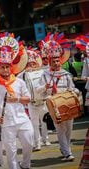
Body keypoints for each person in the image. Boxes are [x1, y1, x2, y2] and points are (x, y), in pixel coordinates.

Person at [0, 34, 34, 169]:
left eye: (7, 67)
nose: (5, 70)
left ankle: (25, 164)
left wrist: (17, 99)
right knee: (10, 151)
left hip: (21, 119)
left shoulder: (19, 82)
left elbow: (29, 99)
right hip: (6, 123)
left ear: (10, 67)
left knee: (29, 143)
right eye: (2, 67)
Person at [37, 33, 78, 161]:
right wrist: (45, 87)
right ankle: (67, 153)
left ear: (60, 60)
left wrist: (74, 92)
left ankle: (65, 148)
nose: (56, 63)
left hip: (67, 105)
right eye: (53, 61)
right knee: (60, 129)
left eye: (57, 60)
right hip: (54, 106)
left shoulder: (66, 74)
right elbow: (39, 92)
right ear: (49, 62)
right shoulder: (45, 75)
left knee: (69, 129)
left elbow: (74, 88)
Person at [17, 49, 51, 151]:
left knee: (44, 122)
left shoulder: (42, 72)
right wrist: (23, 69)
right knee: (34, 124)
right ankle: (37, 143)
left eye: (33, 62)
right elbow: (16, 79)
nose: (31, 65)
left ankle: (46, 139)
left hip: (43, 101)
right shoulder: (23, 74)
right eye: (29, 63)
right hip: (32, 103)